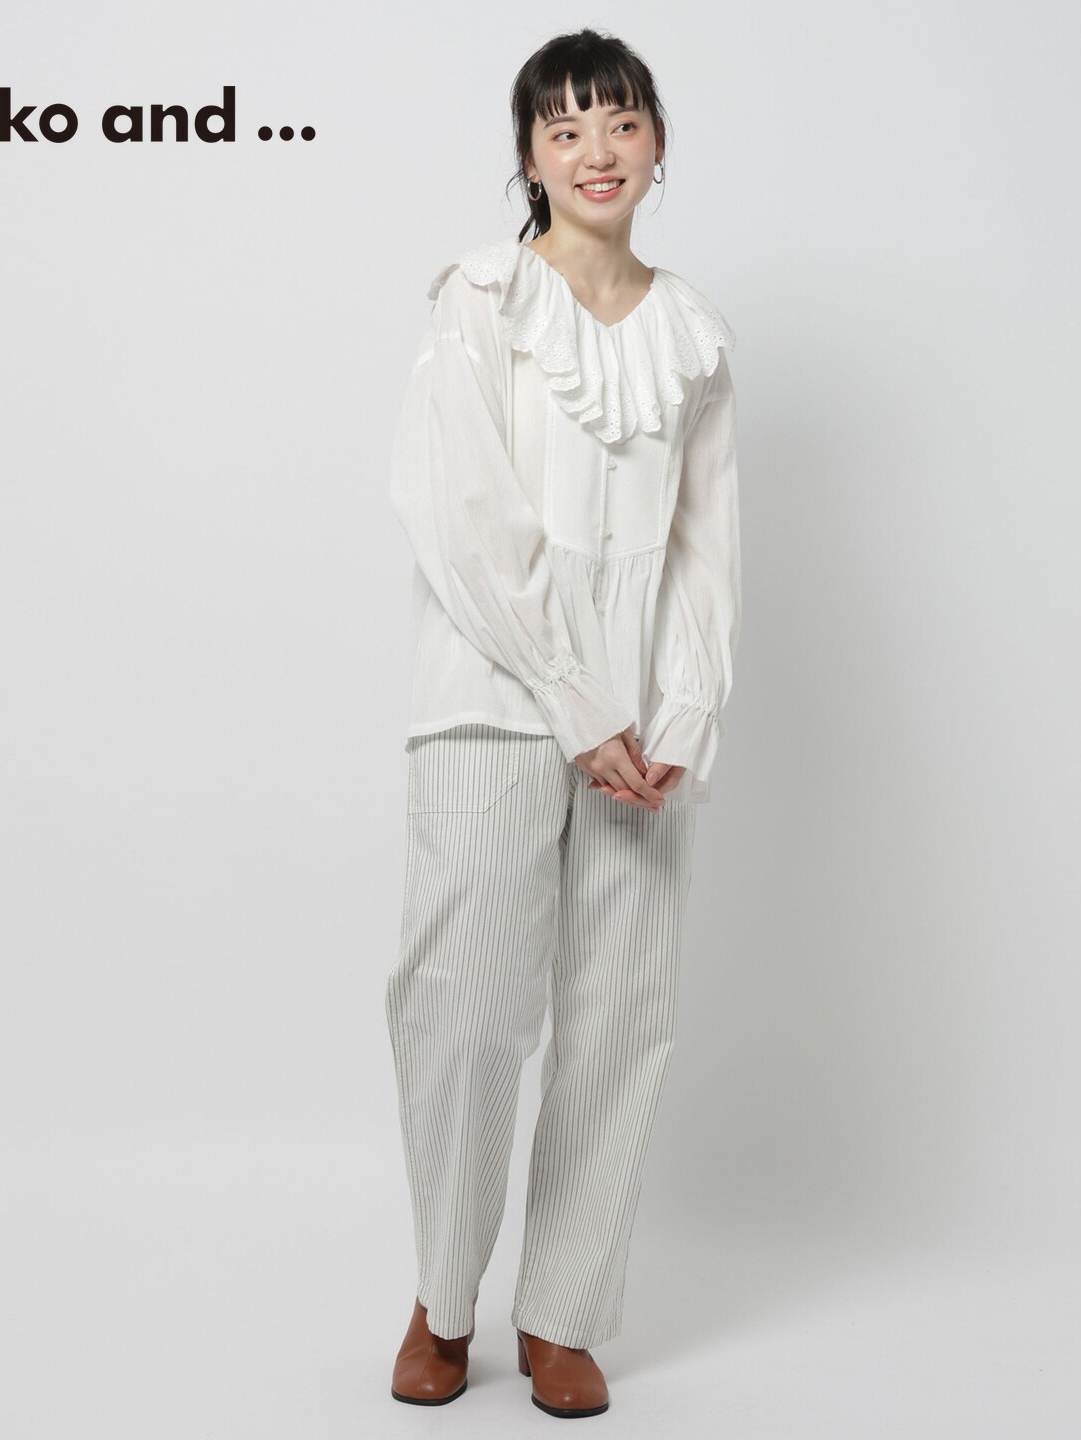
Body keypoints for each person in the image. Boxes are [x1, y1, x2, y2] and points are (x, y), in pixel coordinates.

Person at [383, 27, 742, 1420]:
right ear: (529, 158)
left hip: (642, 736)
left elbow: (707, 546)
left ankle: (565, 1314)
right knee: (463, 1011)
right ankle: (442, 1300)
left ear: (657, 144)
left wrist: (680, 712)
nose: (598, 151)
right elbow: (460, 515)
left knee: (621, 1016)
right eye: (566, 128)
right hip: (490, 696)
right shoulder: (481, 299)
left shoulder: (694, 333)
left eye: (622, 122)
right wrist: (572, 695)